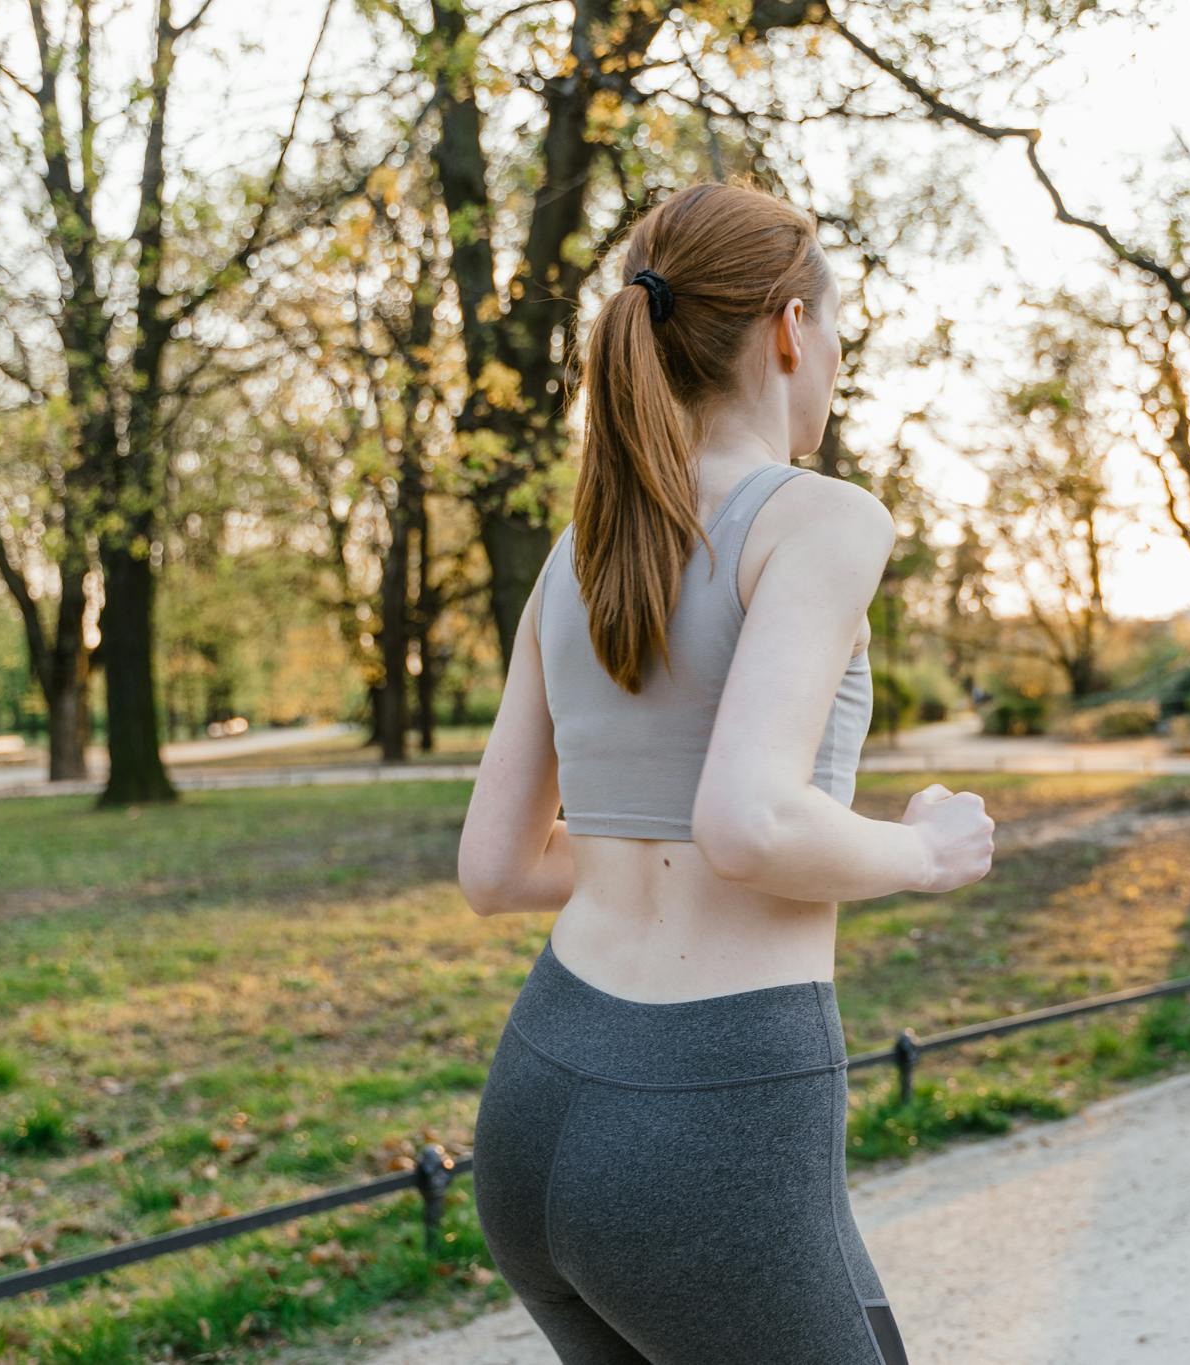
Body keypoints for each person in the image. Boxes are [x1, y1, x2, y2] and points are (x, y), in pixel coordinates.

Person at [456, 179, 996, 1365]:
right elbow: (748, 822)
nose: (838, 364)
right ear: (787, 329)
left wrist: (636, 857)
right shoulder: (820, 519)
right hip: (707, 1119)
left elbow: (492, 868)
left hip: (537, 1102)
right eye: (836, 333)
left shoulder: (576, 552)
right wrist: (923, 852)